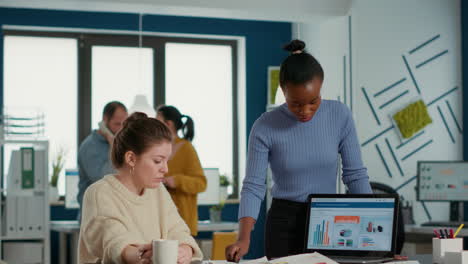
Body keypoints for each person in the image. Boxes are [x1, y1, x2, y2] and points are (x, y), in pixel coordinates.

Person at [226, 40, 373, 261]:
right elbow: (254, 185)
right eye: (296, 103)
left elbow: (355, 175)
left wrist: (377, 233)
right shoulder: (265, 125)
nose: (305, 111)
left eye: (313, 102)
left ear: (321, 87)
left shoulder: (340, 115)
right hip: (284, 222)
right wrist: (243, 237)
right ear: (283, 91)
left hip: (330, 220)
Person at [78, 112, 202, 264]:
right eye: (157, 161)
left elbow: (177, 229)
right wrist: (143, 255)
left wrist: (185, 249)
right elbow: (115, 243)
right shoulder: (99, 193)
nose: (165, 169)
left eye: (166, 161)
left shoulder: (158, 191)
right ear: (131, 158)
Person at [156, 105, 207, 236]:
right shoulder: (154, 148)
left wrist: (177, 180)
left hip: (182, 223)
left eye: (157, 121)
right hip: (159, 222)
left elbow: (201, 183)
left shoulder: (187, 148)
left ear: (168, 124)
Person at [77, 101, 128, 210]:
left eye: (124, 125)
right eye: (117, 124)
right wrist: (112, 145)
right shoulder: (89, 146)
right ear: (105, 120)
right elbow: (104, 180)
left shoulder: (121, 143)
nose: (121, 129)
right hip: (94, 215)